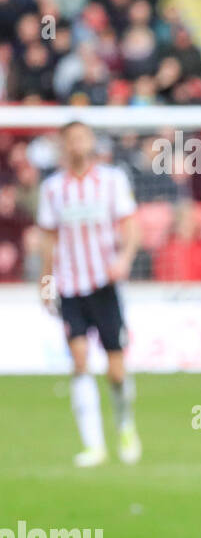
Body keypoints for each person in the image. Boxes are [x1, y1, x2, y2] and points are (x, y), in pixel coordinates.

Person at [36, 121, 142, 467]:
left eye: (82, 137)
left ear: (91, 141)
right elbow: (49, 238)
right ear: (64, 146)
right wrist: (46, 282)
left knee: (115, 368)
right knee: (79, 361)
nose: (78, 144)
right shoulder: (53, 188)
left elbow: (129, 225)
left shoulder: (112, 180)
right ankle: (94, 445)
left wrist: (124, 259)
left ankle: (125, 425)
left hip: (103, 283)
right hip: (70, 286)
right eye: (71, 139)